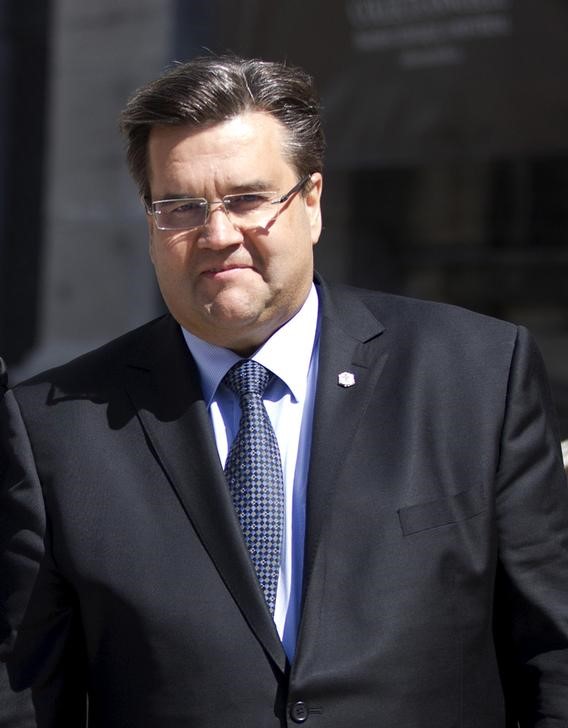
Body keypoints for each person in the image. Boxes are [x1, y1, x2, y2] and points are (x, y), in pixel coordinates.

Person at [2, 56, 568, 728]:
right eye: (180, 207)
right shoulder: (55, 427)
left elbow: (554, 660)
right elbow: (27, 699)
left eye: (247, 199)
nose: (217, 235)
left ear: (312, 202)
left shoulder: (475, 376)